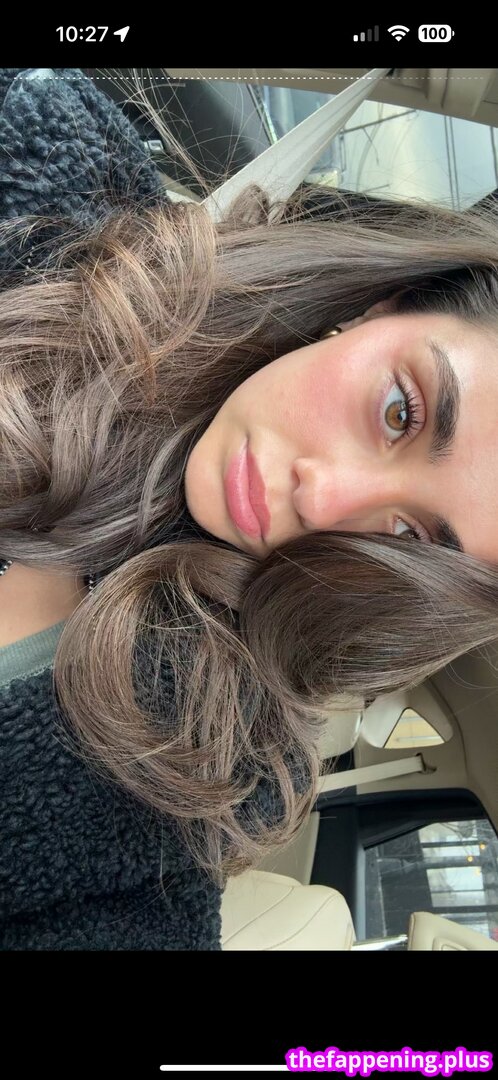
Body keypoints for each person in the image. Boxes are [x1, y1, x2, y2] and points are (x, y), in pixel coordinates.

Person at [1, 69, 498, 950]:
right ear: (376, 309)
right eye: (400, 412)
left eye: (408, 536)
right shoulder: (51, 170)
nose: (324, 499)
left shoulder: (166, 786)